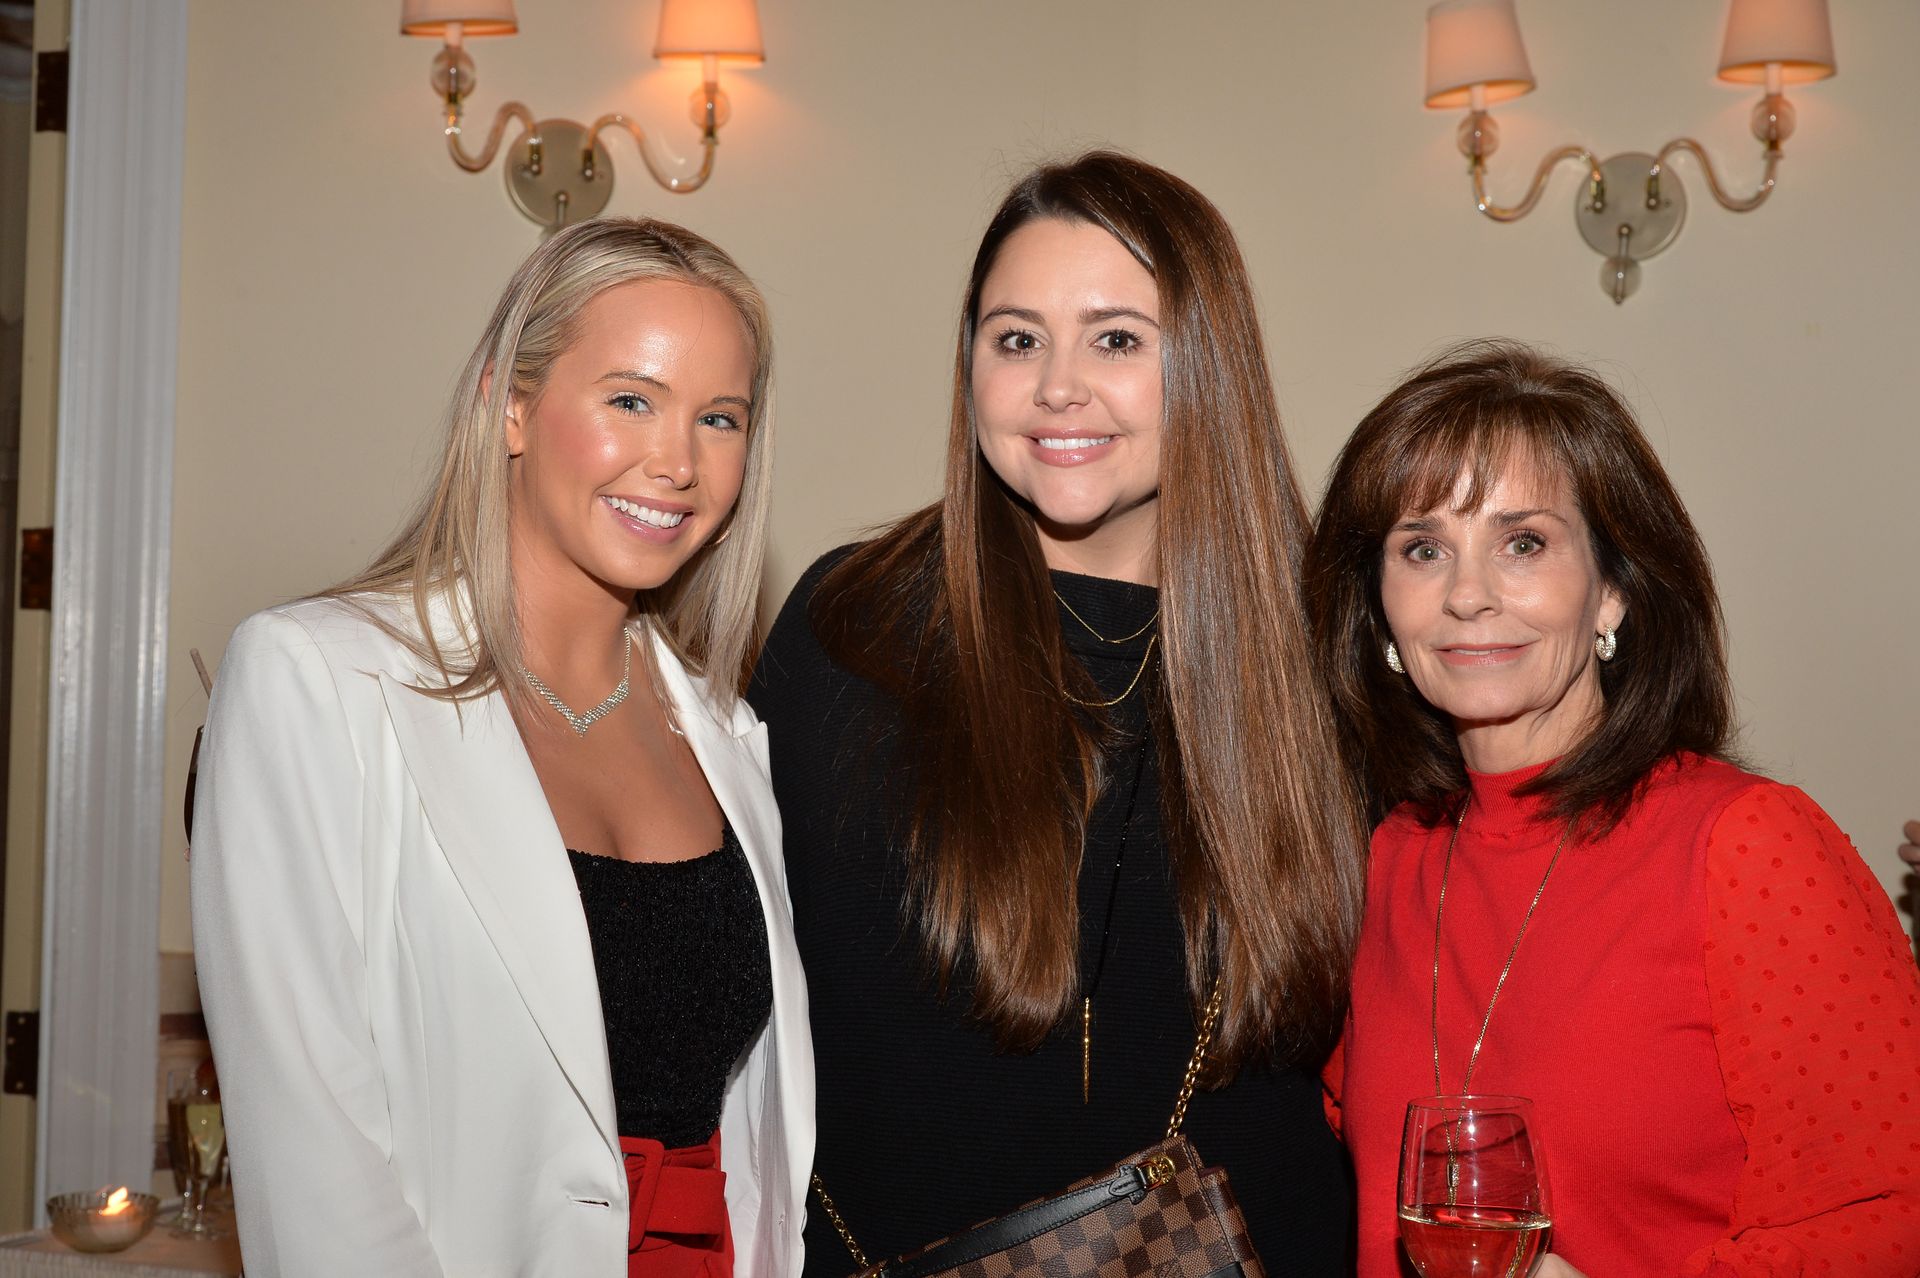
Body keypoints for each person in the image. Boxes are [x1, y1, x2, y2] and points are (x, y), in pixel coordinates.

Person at [748, 151, 1367, 1274]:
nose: (1057, 386)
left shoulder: (1312, 657)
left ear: (1209, 367)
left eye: (1118, 339)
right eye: (1016, 337)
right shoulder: (853, 630)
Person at [191, 218, 812, 1277]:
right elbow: (313, 1157)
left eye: (719, 417)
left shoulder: (730, 738)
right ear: (510, 406)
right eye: (631, 400)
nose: (676, 461)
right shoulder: (318, 682)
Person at [1306, 339, 1920, 1278]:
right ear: (1379, 608)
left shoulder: (1746, 845)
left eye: (1524, 543)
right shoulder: (1389, 856)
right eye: (1423, 549)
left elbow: (1891, 1219)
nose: (1468, 596)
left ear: (1614, 592)